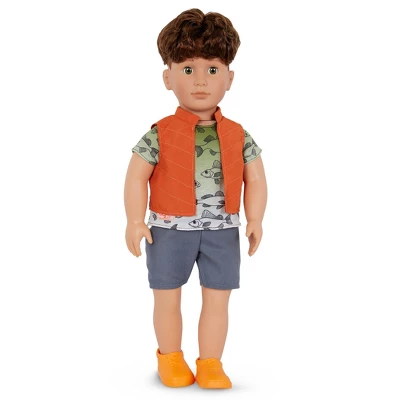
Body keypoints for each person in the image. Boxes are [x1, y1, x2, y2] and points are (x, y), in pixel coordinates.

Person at [124, 8, 267, 389]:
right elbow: (136, 175)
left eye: (212, 69)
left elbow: (255, 178)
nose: (201, 81)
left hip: (223, 230)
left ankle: (211, 363)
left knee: (218, 299)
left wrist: (255, 218)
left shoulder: (238, 134)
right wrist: (135, 220)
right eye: (188, 69)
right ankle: (170, 358)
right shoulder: (160, 133)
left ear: (229, 78)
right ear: (168, 77)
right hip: (168, 230)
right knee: (167, 297)